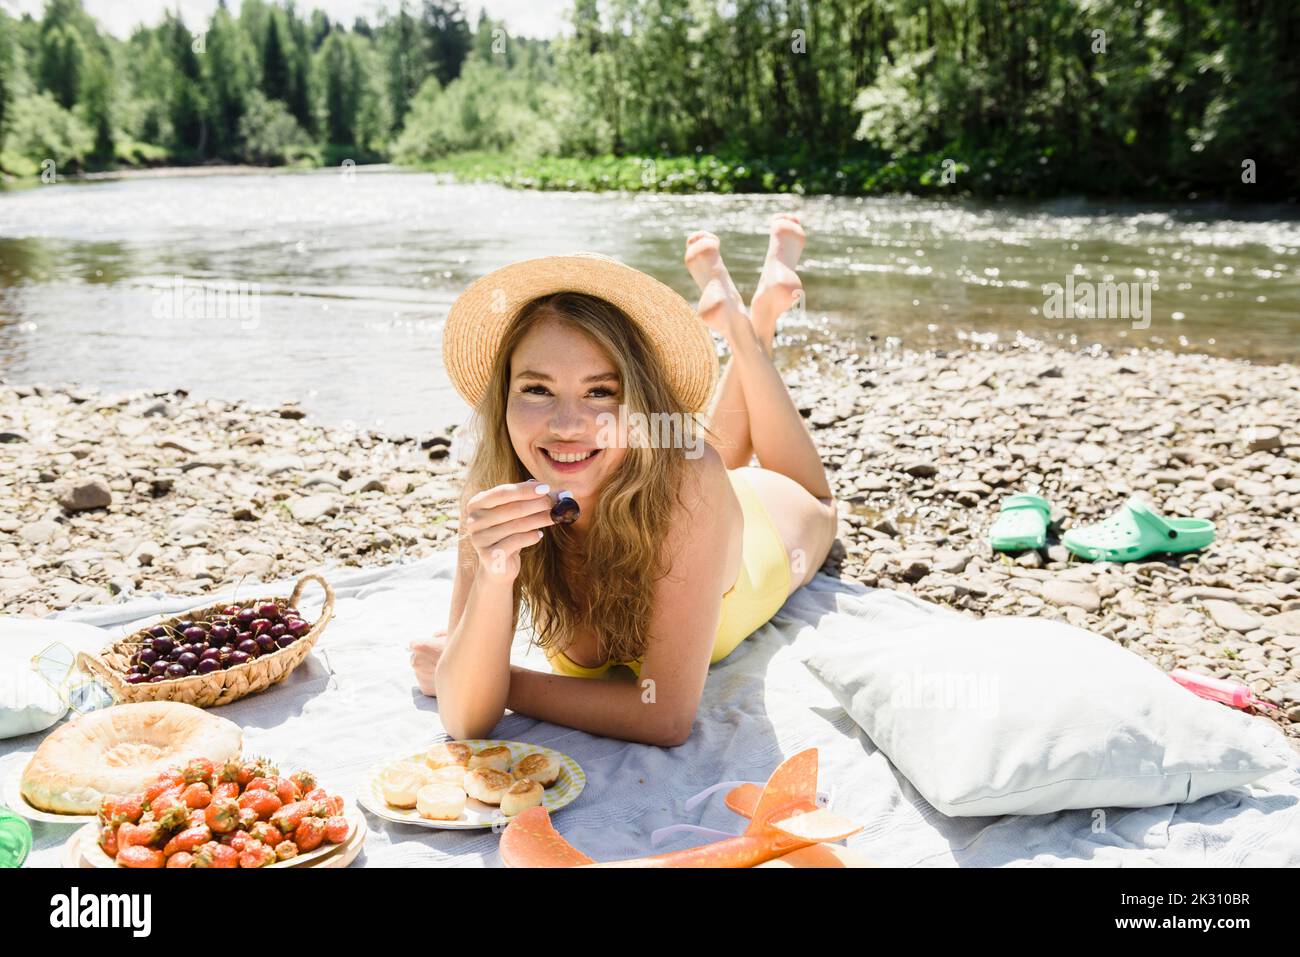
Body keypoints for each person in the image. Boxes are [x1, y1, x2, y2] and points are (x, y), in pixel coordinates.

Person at [410, 215, 838, 747]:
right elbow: (466, 721)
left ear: (639, 401)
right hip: (680, 493)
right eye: (537, 390)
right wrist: (494, 576)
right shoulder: (495, 491)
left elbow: (662, 716)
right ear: (504, 399)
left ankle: (747, 329)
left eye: (600, 392)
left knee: (806, 496)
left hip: (772, 523)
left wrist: (497, 680)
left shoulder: (690, 478)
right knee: (703, 455)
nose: (566, 426)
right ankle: (747, 314)